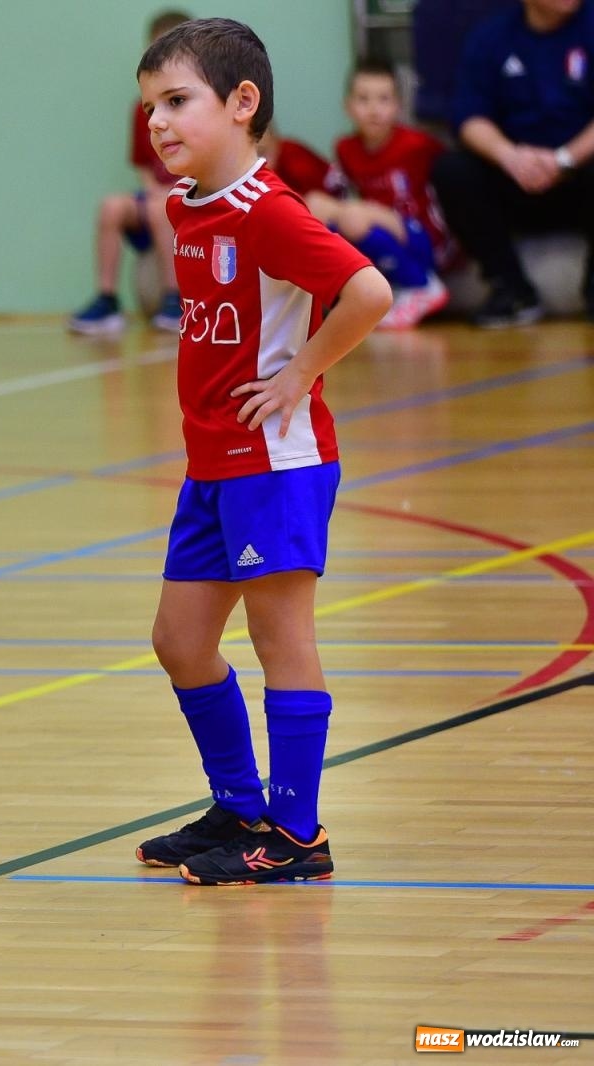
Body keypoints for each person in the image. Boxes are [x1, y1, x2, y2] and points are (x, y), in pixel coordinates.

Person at [132, 19, 392, 885]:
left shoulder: (270, 213)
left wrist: (301, 376)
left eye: (177, 101)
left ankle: (297, 834)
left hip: (275, 464)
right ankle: (239, 804)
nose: (159, 122)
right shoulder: (188, 208)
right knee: (179, 640)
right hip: (212, 467)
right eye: (149, 107)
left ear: (243, 104)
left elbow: (367, 289)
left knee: (282, 638)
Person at [432, 0, 594, 327]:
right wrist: (510, 157)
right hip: (516, 179)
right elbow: (469, 118)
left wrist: (563, 159)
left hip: (580, 172)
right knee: (452, 170)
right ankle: (512, 290)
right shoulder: (491, 38)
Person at [68, 9, 191, 336]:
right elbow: (142, 165)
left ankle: (174, 298)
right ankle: (107, 300)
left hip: (190, 196)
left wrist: (171, 195)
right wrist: (153, 189)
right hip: (157, 197)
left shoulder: (195, 103)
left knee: (159, 205)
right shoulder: (142, 109)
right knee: (112, 206)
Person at [308, 60, 451, 330]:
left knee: (356, 220)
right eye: (363, 100)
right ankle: (346, 295)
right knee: (323, 214)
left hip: (421, 236)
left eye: (383, 99)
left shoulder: (416, 145)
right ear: (348, 106)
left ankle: (422, 285)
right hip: (377, 228)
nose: (374, 110)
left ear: (398, 105)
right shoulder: (346, 148)